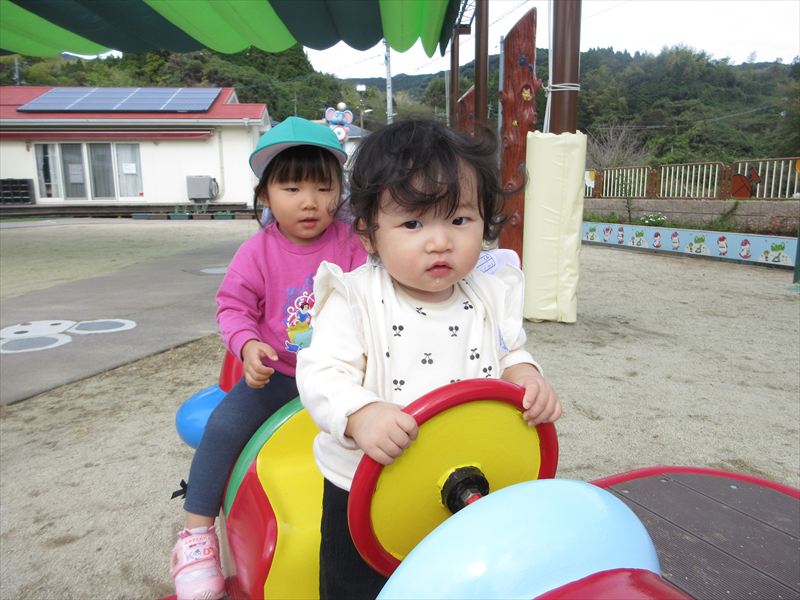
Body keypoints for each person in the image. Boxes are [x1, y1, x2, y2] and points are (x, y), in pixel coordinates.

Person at [297, 119, 563, 599]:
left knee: (464, 578)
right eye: (413, 223)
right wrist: (361, 413)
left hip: (469, 473)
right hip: (368, 486)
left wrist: (525, 375)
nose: (440, 242)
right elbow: (322, 373)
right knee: (357, 585)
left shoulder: (488, 293)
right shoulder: (355, 298)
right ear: (369, 233)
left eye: (459, 220)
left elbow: (510, 349)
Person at [170, 117, 367, 600]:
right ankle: (196, 537)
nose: (309, 201)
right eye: (292, 188)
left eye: (324, 188)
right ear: (265, 195)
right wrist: (246, 344)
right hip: (278, 377)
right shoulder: (257, 252)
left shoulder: (351, 243)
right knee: (222, 427)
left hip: (344, 377)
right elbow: (232, 306)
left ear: (340, 193)